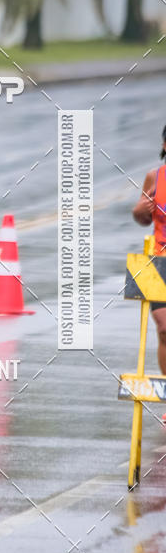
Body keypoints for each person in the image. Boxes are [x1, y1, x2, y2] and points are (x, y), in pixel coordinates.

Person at [132, 124, 166, 373]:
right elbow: (142, 217)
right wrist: (140, 211)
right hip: (159, 261)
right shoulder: (156, 177)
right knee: (164, 329)